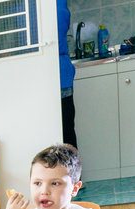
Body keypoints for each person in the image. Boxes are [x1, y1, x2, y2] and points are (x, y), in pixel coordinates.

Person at [58, 1, 77, 149]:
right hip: (62, 74)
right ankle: (72, 171)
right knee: (67, 131)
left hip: (60, 72)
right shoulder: (58, 5)